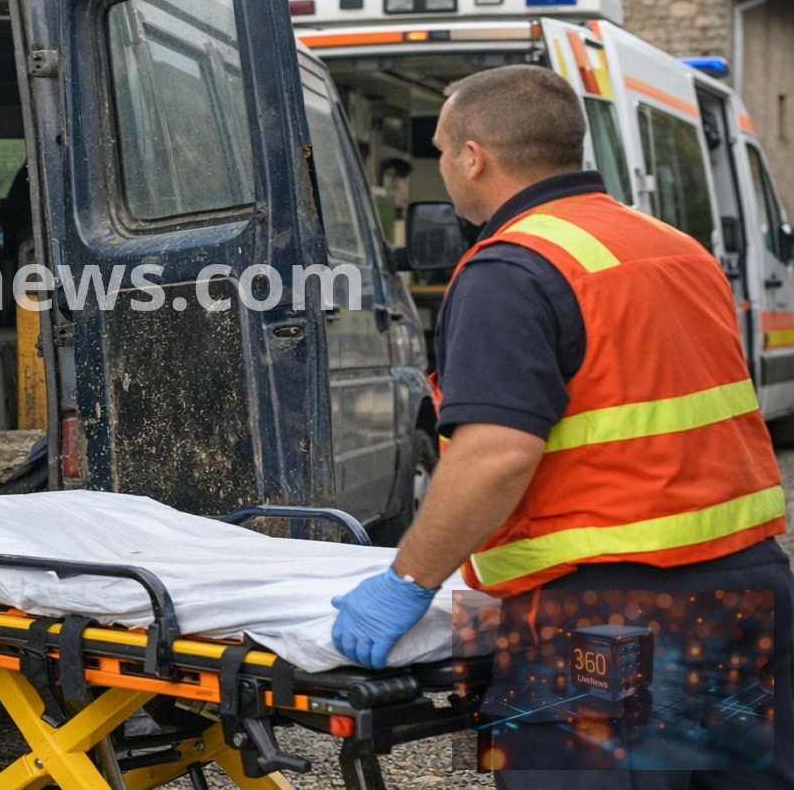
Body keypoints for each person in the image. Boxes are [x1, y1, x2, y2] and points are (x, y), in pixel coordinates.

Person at [329, 65, 792, 786]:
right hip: (747, 590)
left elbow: (495, 456)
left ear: (473, 156)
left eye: (445, 151)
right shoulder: (672, 246)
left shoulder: (510, 268)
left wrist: (408, 580)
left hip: (603, 612)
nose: (447, 167)